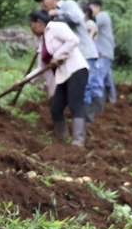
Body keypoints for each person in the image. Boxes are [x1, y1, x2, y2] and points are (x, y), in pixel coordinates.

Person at [33, 0, 102, 122]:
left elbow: (78, 17)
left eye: (43, 0)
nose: (42, 4)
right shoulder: (53, 19)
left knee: (85, 89)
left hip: (85, 53)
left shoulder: (68, 5)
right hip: (71, 58)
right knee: (73, 92)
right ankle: (81, 122)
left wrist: (55, 12)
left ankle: (88, 124)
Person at [28, 9, 89, 146]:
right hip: (62, 75)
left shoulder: (56, 27)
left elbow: (73, 40)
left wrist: (58, 55)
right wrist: (23, 81)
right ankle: (61, 139)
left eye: (31, 24)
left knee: (75, 105)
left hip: (76, 70)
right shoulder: (43, 40)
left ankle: (78, 141)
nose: (31, 29)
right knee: (55, 108)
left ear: (38, 22)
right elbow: (40, 67)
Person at [90, 0, 116, 103]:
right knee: (107, 79)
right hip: (105, 52)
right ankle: (112, 101)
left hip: (104, 52)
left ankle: (98, 103)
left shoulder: (101, 16)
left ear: (97, 7)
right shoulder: (102, 17)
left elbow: (90, 26)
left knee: (99, 77)